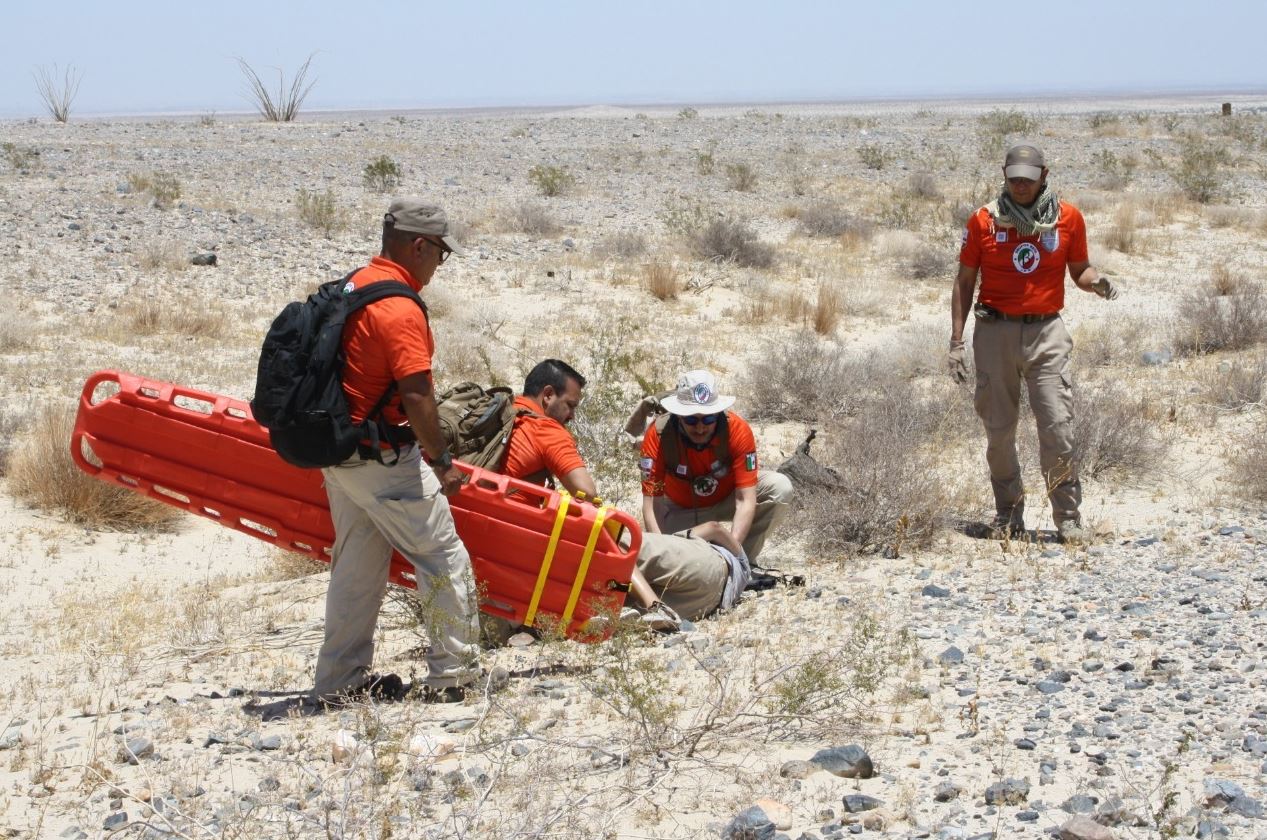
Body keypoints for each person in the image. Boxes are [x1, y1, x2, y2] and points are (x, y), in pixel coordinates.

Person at [314, 198, 481, 705]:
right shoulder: (399, 307)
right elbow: (417, 395)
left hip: (338, 454)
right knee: (443, 556)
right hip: (381, 458)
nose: (437, 266)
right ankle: (454, 676)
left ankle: (339, 682)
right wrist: (442, 463)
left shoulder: (353, 285)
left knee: (357, 566)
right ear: (419, 246)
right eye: (438, 255)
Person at [948, 144, 1120, 544]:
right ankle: (1008, 514)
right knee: (999, 431)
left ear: (1045, 174)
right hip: (995, 333)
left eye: (1029, 177)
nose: (1021, 184)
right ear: (1004, 175)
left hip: (1047, 333)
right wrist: (956, 341)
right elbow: (963, 281)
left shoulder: (1067, 218)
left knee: (1057, 427)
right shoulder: (984, 221)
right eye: (1014, 178)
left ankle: (1068, 519)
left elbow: (1078, 268)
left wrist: (1095, 282)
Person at [500, 359, 680, 629]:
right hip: (522, 536)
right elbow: (587, 491)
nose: (571, 416)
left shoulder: (502, 416)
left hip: (488, 531)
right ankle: (653, 605)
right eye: (570, 405)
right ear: (547, 395)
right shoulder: (546, 429)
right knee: (604, 531)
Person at [639, 370, 792, 562]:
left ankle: (743, 563)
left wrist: (733, 554)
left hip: (727, 499)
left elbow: (745, 500)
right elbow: (654, 505)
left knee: (780, 486)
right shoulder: (658, 436)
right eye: (691, 419)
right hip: (681, 510)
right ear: (678, 415)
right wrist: (661, 556)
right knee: (670, 555)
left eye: (709, 419)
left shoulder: (738, 430)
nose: (701, 428)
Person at [637, 521, 751, 622]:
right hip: (708, 602)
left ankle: (654, 606)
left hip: (706, 561)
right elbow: (715, 528)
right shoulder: (743, 571)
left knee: (626, 545)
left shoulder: (737, 558)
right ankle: (656, 609)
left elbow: (714, 527)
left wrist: (672, 538)